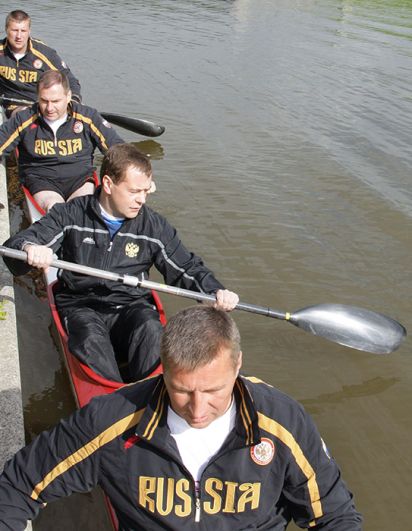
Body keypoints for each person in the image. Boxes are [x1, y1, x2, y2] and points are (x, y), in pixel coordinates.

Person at [0, 305, 362, 530]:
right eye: (182, 391)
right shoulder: (112, 420)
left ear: (237, 366)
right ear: (164, 370)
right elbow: (18, 485)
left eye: (213, 391)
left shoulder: (284, 422)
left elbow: (334, 516)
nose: (198, 410)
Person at [2, 143, 239, 382]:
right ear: (107, 184)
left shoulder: (153, 226)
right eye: (135, 191)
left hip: (131, 305)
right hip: (81, 304)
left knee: (152, 331)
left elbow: (185, 268)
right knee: (90, 338)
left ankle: (151, 391)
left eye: (146, 191)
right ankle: (111, 397)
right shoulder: (70, 215)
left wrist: (214, 291)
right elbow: (17, 245)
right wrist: (30, 249)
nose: (141, 200)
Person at [0, 70, 124, 211]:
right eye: (44, 101)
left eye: (56, 101)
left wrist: (142, 176)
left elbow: (119, 150)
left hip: (80, 182)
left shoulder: (88, 117)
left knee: (80, 207)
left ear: (68, 96)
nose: (49, 108)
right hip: (42, 182)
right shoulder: (23, 119)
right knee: (55, 207)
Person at [0, 9, 82, 116]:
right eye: (14, 30)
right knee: (24, 116)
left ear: (29, 31)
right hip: (12, 106)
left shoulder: (44, 53)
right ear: (6, 30)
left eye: (23, 31)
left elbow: (70, 80)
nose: (19, 36)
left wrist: (73, 102)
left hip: (44, 104)